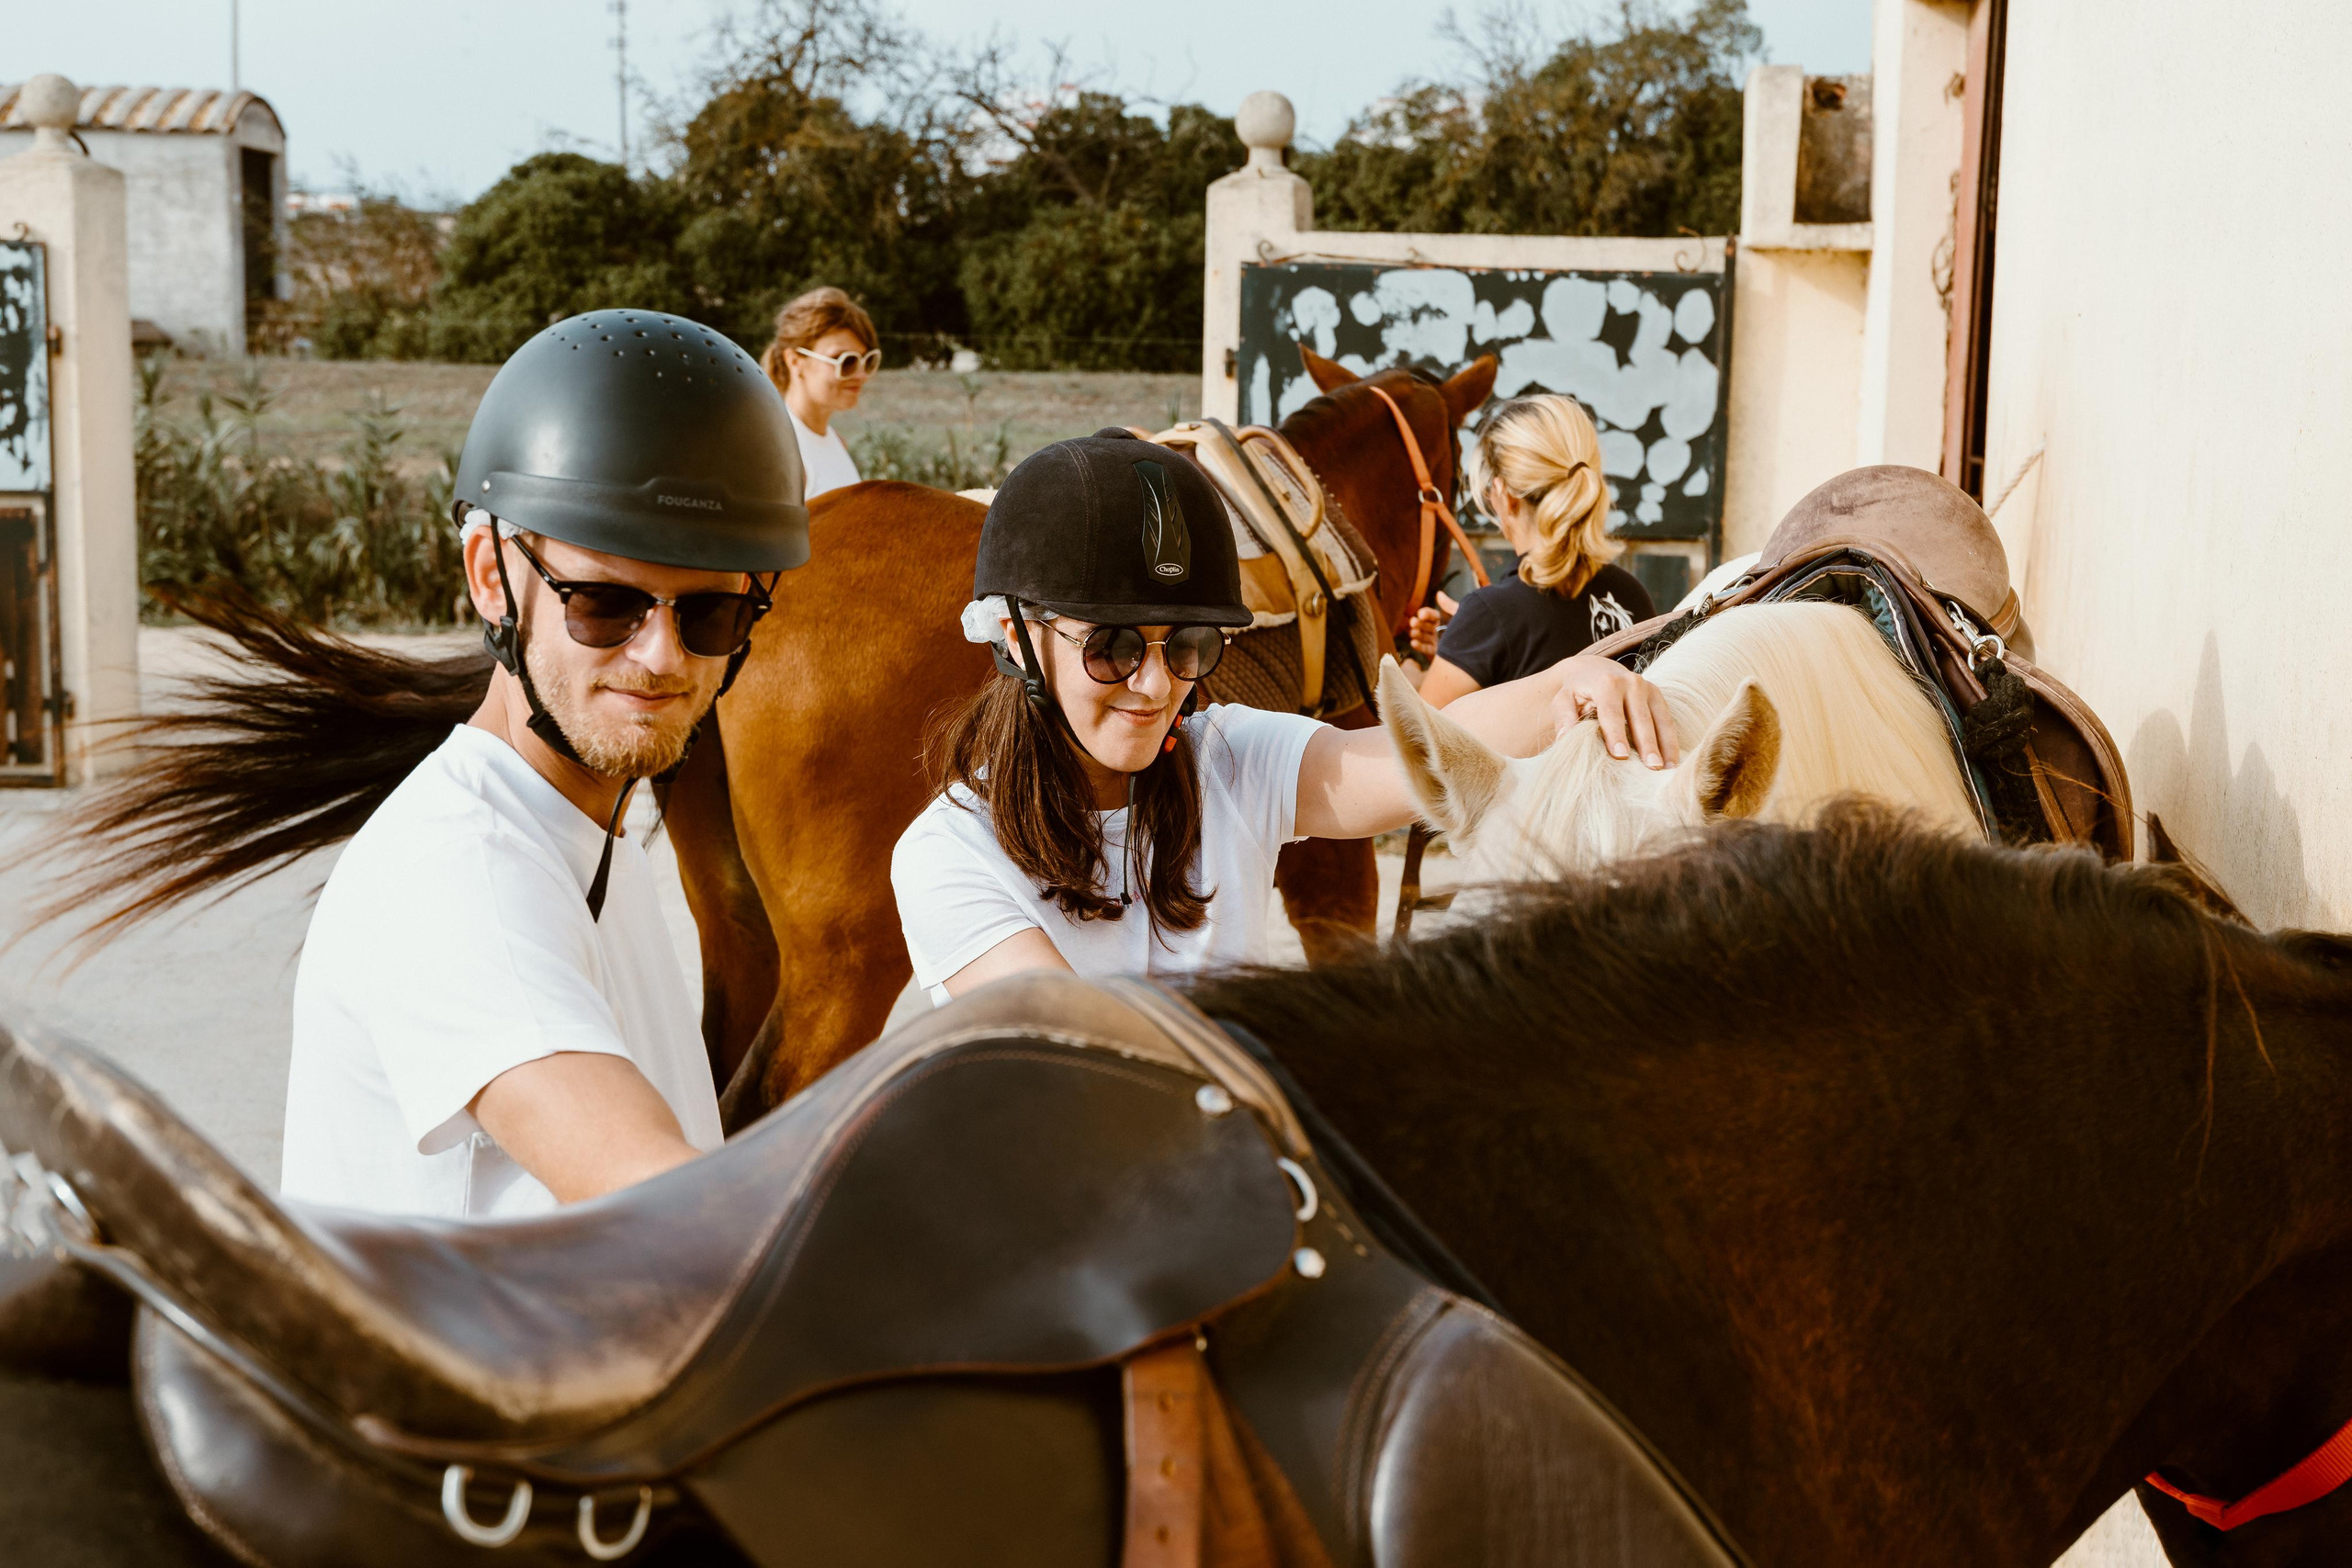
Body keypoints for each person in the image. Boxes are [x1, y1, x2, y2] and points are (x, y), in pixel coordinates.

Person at [278, 309, 809, 1219]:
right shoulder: (459, 875)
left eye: (709, 616)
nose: (662, 658)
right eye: (605, 603)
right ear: (491, 574)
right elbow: (665, 1207)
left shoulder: (589, 832)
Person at [888, 429, 1679, 1003]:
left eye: (1190, 643)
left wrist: (1570, 687)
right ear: (1018, 637)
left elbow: (1418, 755)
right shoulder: (948, 855)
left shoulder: (1228, 758)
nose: (1155, 682)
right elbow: (1090, 1054)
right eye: (1114, 646)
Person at [1408, 393, 1654, 706]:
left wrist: (1411, 670)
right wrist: (1461, 648)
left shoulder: (1490, 616)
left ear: (1503, 494)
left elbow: (1415, 741)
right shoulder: (1632, 596)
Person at [759, 286, 878, 500]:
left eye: (867, 361)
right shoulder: (780, 451)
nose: (861, 375)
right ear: (795, 361)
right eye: (846, 361)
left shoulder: (837, 442)